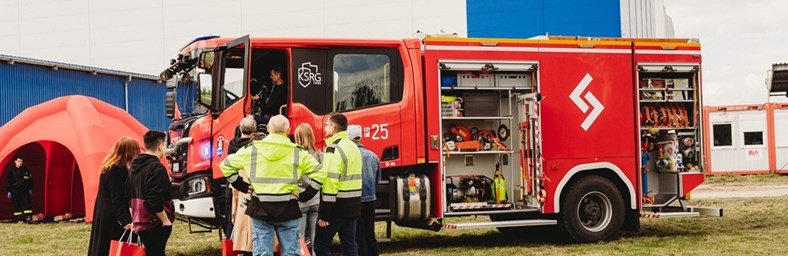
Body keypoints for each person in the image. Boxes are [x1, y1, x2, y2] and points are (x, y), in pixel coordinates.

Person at [220, 115, 326, 256]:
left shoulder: (253, 149)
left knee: (263, 252)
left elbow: (225, 165)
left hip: (260, 208)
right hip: (288, 208)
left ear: (268, 128)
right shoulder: (297, 152)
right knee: (291, 253)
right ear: (288, 130)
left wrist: (244, 187)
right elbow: (320, 173)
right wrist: (305, 195)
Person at [315, 113, 363, 256]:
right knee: (350, 245)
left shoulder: (333, 149)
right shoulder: (353, 147)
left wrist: (324, 214)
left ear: (333, 128)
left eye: (327, 125)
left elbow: (330, 182)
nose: (325, 128)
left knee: (321, 245)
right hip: (354, 205)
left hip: (337, 207)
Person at [88, 137, 140, 256]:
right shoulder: (118, 169)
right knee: (113, 245)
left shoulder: (109, 166)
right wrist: (126, 221)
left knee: (102, 243)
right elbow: (117, 198)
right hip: (112, 215)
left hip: (104, 211)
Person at [128, 130, 174, 256]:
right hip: (155, 222)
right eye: (165, 145)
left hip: (139, 220)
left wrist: (134, 218)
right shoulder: (157, 168)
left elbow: (128, 194)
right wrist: (166, 220)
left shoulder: (134, 166)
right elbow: (154, 198)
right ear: (160, 147)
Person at [346, 125, 381, 256]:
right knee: (370, 233)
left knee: (358, 234)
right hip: (370, 199)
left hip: (355, 199)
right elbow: (378, 179)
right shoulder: (373, 156)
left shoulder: (350, 156)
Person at [227, 116, 257, 255]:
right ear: (255, 130)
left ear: (240, 129)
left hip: (235, 185)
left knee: (233, 220)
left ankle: (233, 244)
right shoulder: (255, 146)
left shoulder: (232, 144)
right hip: (250, 187)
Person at [294, 123, 323, 255]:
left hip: (300, 201)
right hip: (316, 201)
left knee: (299, 237)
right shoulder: (320, 155)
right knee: (315, 237)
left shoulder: (296, 156)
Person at [6, 156, 33, 223]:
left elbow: (30, 180)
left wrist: (30, 188)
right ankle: (18, 218)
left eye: (21, 161)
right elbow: (9, 181)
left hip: (25, 190)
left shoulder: (26, 170)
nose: (20, 163)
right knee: (16, 204)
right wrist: (9, 191)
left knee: (27, 204)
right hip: (15, 190)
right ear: (15, 161)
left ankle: (28, 218)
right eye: (19, 161)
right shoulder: (12, 171)